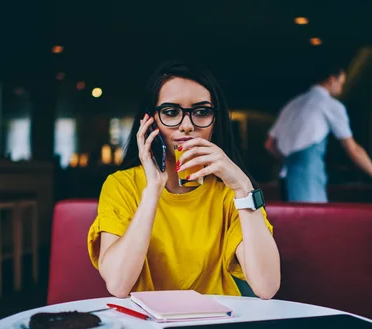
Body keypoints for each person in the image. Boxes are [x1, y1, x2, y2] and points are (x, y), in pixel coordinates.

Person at [87, 60, 281, 300]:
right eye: (171, 112)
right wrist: (152, 190)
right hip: (145, 326)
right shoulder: (122, 185)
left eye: (201, 112)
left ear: (215, 121)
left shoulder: (230, 190)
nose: (187, 126)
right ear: (150, 121)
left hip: (216, 324)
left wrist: (242, 187)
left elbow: (267, 286)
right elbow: (118, 284)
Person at [265, 63, 372, 202]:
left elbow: (270, 144)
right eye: (341, 83)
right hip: (309, 178)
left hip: (286, 178)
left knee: (291, 221)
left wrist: (293, 162)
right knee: (313, 221)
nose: (341, 88)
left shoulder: (292, 104)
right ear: (331, 79)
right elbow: (353, 149)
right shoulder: (330, 105)